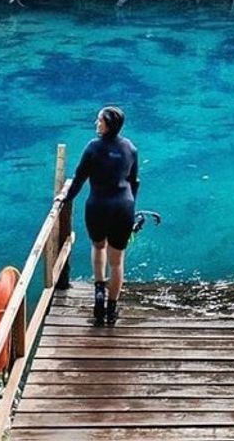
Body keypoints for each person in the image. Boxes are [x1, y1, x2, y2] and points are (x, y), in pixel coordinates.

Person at [59, 105, 139, 327]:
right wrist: (132, 210)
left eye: (99, 120)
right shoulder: (130, 148)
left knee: (99, 246)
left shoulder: (93, 148)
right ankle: (112, 308)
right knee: (118, 260)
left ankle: (99, 292)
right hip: (124, 208)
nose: (96, 123)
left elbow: (79, 178)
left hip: (98, 206)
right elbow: (134, 182)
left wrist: (64, 198)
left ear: (108, 124)